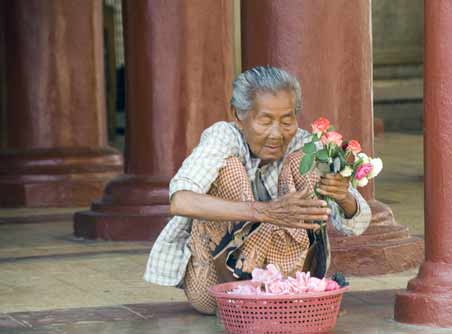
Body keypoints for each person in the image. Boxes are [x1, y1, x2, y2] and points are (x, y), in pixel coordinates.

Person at [144, 66, 371, 314]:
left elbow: (357, 222)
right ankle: (241, 293)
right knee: (229, 169)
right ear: (238, 115)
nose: (277, 133)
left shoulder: (304, 144)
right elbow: (180, 201)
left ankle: (290, 287)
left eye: (287, 121)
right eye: (265, 120)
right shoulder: (224, 137)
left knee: (301, 160)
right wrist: (263, 211)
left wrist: (343, 195)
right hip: (218, 287)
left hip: (287, 282)